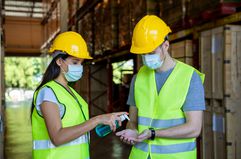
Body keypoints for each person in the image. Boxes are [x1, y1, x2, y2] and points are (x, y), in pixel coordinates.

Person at [116, 15, 205, 159]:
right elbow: (133, 121)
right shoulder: (138, 79)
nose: (146, 57)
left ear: (166, 46)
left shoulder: (190, 77)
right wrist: (131, 131)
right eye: (143, 54)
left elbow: (194, 128)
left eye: (151, 53)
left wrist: (153, 133)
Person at [31, 31, 127, 159]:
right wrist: (97, 119)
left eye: (81, 63)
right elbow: (57, 138)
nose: (80, 67)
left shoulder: (72, 92)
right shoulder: (48, 92)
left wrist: (105, 119)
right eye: (75, 62)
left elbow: (77, 129)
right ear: (59, 61)